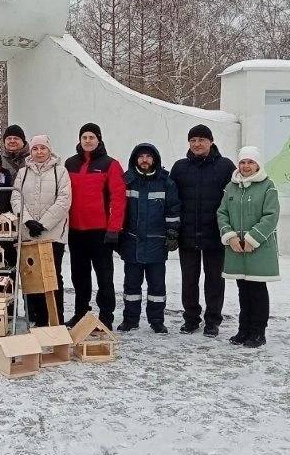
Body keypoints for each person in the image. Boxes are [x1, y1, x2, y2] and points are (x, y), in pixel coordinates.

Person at [169, 124, 236, 337]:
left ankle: (213, 320)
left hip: (215, 233)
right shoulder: (180, 167)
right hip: (187, 233)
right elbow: (172, 200)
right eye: (193, 140)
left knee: (215, 279)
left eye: (201, 140)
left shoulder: (225, 166)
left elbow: (234, 199)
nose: (197, 144)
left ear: (211, 141)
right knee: (189, 278)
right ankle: (191, 318)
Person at [64, 123, 127, 329]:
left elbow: (118, 198)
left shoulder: (110, 164)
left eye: (92, 137)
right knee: (79, 275)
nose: (88, 141)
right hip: (76, 230)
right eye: (84, 137)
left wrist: (114, 228)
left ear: (99, 139)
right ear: (80, 140)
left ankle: (106, 315)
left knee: (104, 276)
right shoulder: (70, 164)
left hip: (100, 231)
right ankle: (81, 312)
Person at [216, 146, 280, 349]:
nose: (246, 166)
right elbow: (222, 213)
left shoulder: (268, 186)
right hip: (236, 249)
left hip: (258, 249)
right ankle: (243, 329)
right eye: (243, 162)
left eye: (250, 162)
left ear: (257, 164)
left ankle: (258, 332)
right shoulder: (231, 187)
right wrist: (230, 237)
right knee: (243, 289)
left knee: (257, 290)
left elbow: (271, 216)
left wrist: (252, 239)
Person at [117, 143, 181, 333]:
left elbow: (174, 210)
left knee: (157, 288)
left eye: (148, 157)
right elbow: (119, 210)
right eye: (141, 157)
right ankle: (130, 320)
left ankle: (156, 321)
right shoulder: (127, 181)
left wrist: (172, 233)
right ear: (135, 160)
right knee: (131, 286)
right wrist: (117, 234)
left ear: (155, 160)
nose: (145, 160)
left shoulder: (166, 182)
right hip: (131, 243)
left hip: (157, 244)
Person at [10, 135, 72, 324]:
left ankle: (54, 318)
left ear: (49, 150)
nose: (39, 152)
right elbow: (15, 197)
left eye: (43, 149)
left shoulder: (60, 172)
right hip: (28, 233)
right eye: (35, 149)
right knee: (31, 275)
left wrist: (43, 223)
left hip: (52, 234)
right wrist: (28, 221)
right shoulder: (23, 173)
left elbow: (64, 200)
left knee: (52, 276)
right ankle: (35, 317)